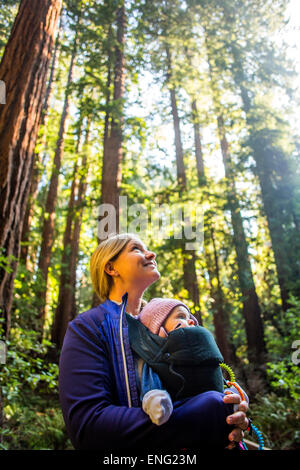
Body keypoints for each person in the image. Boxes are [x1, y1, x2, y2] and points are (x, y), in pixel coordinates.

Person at [58, 233, 249, 451]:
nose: (151, 254)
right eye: (136, 249)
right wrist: (204, 415)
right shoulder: (88, 327)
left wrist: (233, 415)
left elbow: (201, 389)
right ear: (111, 268)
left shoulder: (167, 321)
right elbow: (87, 427)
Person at [126, 298, 248, 428]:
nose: (190, 320)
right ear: (158, 329)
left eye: (190, 318)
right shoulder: (151, 362)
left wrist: (233, 395)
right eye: (181, 316)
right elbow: (148, 381)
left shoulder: (205, 354)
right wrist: (156, 398)